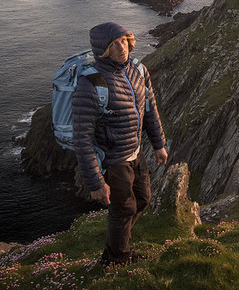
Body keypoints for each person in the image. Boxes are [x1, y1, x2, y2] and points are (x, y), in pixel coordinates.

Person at [72, 22, 168, 266]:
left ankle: (117, 243)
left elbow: (150, 110)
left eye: (123, 41)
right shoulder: (90, 84)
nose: (121, 48)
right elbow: (82, 138)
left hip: (136, 153)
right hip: (113, 161)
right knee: (123, 209)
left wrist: (158, 144)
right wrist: (95, 183)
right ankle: (117, 257)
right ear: (103, 50)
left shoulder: (138, 70)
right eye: (113, 45)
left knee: (143, 199)